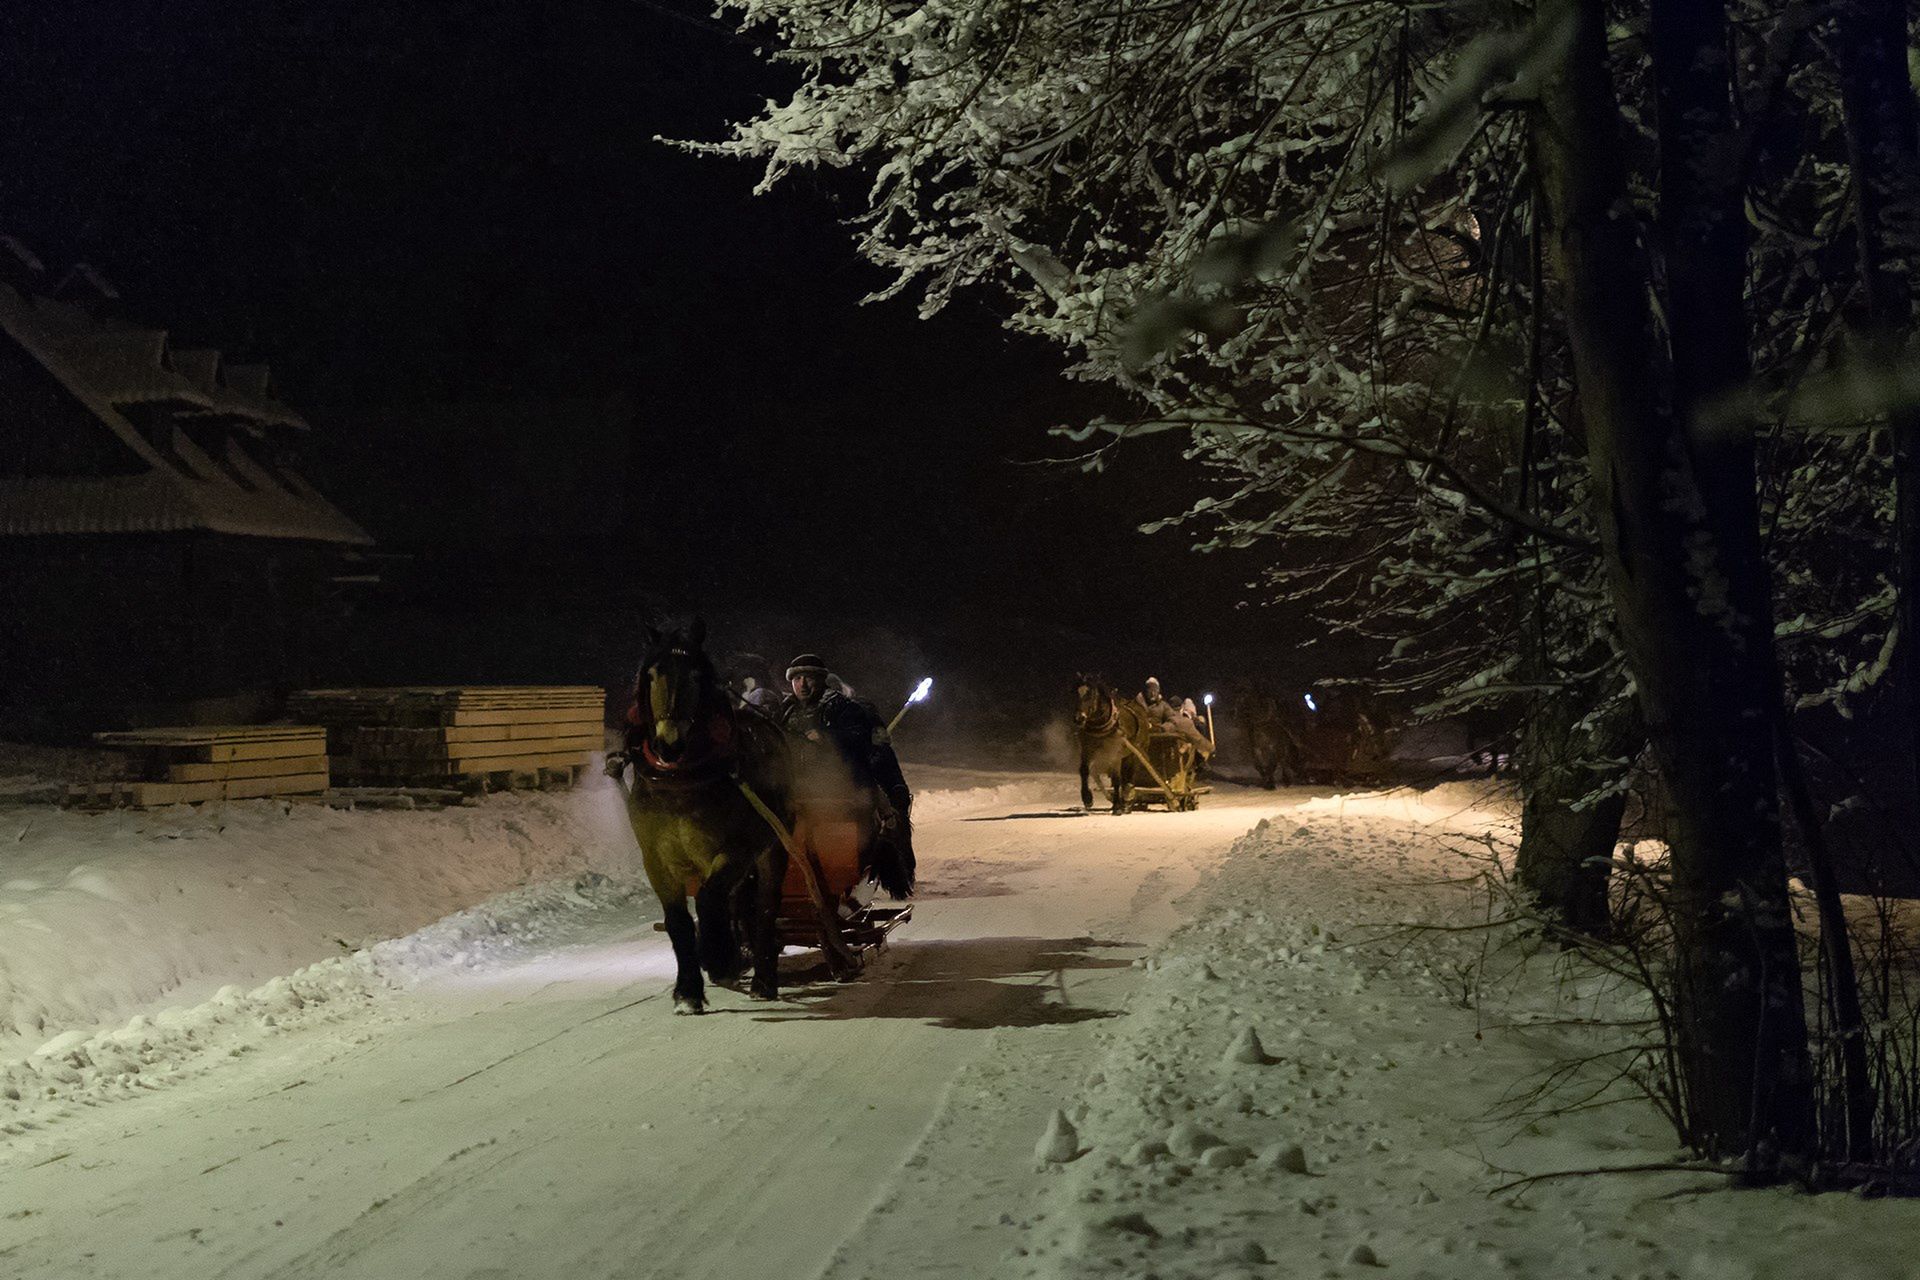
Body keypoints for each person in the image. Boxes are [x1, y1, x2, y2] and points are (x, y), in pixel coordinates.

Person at [775, 653, 915, 898]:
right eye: (797, 678)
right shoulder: (783, 713)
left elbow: (861, 741)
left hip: (842, 789)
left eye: (808, 677)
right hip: (795, 790)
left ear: (822, 680)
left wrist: (827, 739)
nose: (803, 684)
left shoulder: (844, 708)